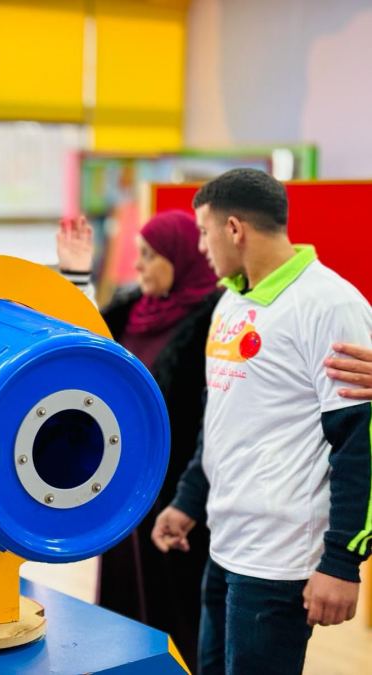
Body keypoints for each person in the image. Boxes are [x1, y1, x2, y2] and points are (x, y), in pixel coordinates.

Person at [150, 168, 372, 675]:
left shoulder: (331, 305)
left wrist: (342, 561)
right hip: (224, 543)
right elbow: (224, 418)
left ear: (234, 229)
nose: (201, 247)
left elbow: (359, 443)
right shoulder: (231, 302)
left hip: (281, 559)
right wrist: (188, 500)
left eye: (204, 232)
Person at [57, 210, 220, 668]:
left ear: (180, 258)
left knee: (176, 611)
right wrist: (75, 276)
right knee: (123, 609)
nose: (139, 265)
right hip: (121, 488)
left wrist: (187, 497)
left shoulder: (210, 323)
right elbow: (78, 349)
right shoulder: (131, 313)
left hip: (179, 495)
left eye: (150, 255)